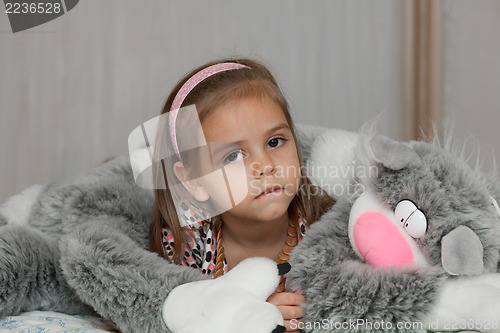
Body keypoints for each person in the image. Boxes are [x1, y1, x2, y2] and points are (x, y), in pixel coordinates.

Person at [147, 58, 335, 332]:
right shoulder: (184, 248)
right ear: (195, 181)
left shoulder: (329, 230)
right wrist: (251, 317)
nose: (266, 166)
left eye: (274, 142)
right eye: (233, 156)